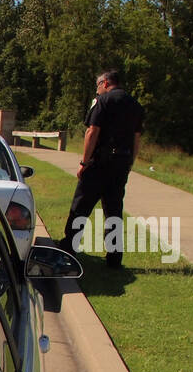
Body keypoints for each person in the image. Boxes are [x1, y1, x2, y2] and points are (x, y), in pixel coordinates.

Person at [60, 69, 144, 268]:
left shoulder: (103, 101)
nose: (97, 91)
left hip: (99, 163)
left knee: (81, 206)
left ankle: (68, 248)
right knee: (113, 211)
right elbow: (137, 139)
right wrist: (130, 162)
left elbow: (92, 131)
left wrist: (84, 162)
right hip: (121, 163)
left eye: (98, 86)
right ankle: (114, 258)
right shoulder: (135, 105)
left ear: (105, 83)